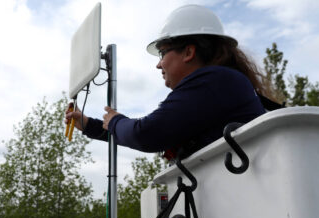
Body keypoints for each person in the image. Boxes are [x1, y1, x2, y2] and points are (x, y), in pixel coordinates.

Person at [65, 4, 274, 160]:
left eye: (162, 53)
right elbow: (156, 130)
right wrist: (90, 125)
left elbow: (147, 133)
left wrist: (116, 122)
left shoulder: (214, 82)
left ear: (188, 52)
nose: (159, 65)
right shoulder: (219, 86)